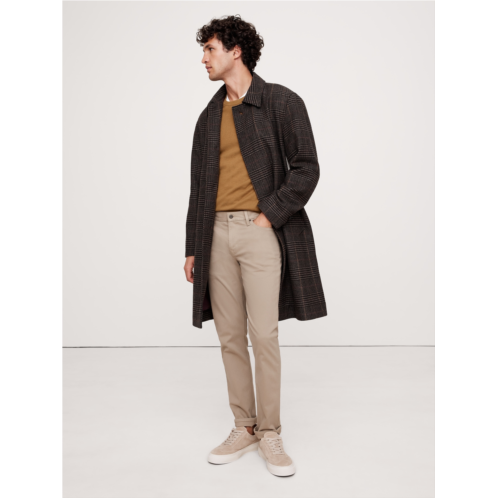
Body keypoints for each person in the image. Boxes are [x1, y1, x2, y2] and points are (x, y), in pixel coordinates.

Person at [184, 15, 327, 477]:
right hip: (215, 235)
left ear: (235, 51)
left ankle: (270, 432)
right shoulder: (208, 117)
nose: (203, 58)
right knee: (229, 336)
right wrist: (193, 246)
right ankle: (243, 426)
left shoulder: (281, 102)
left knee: (263, 334)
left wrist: (270, 214)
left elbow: (306, 167)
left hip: (260, 229)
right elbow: (198, 189)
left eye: (210, 48)